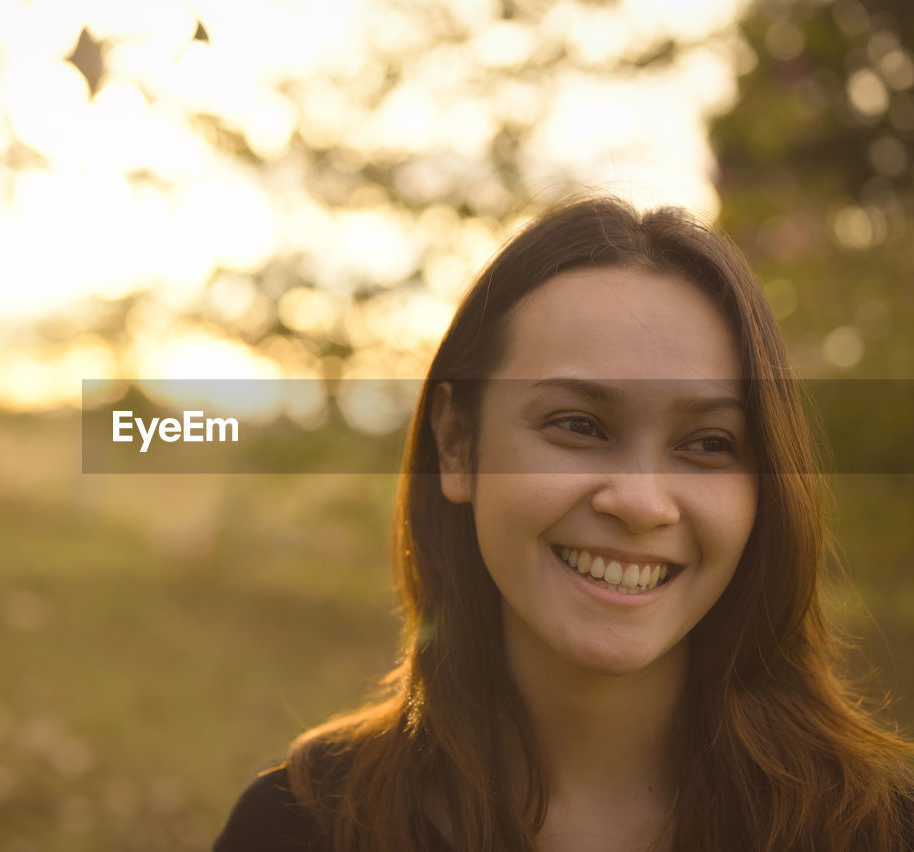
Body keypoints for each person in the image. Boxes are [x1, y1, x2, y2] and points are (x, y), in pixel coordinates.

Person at [214, 194, 914, 851]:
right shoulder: (302, 827)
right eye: (578, 424)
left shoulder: (881, 828)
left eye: (709, 443)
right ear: (457, 444)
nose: (641, 504)